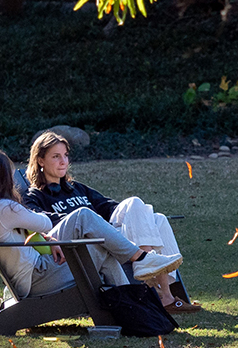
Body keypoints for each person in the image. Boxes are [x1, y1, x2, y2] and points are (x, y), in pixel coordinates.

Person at [0, 147, 182, 301]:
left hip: (32, 273)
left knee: (96, 243)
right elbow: (45, 221)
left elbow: (36, 230)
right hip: (38, 277)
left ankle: (135, 302)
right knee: (83, 217)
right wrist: (48, 234)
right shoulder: (6, 208)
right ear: (1, 177)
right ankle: (140, 263)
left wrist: (50, 239)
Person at [23, 130, 201, 313]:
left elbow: (108, 206)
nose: (63, 162)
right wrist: (94, 224)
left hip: (112, 238)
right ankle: (152, 275)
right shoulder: (34, 196)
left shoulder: (76, 188)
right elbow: (38, 220)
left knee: (157, 218)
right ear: (40, 160)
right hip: (89, 245)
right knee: (135, 206)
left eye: (66, 156)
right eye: (56, 156)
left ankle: (165, 293)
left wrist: (139, 215)